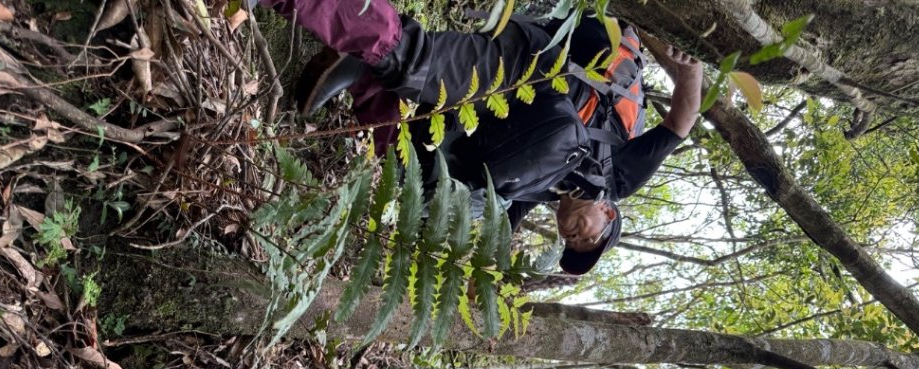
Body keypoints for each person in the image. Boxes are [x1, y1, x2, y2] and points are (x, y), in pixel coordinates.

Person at [258, 0, 703, 274]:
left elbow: (498, 224)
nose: (572, 235)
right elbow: (681, 122)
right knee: (412, 61)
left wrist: (481, 270)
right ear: (607, 212)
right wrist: (692, 67)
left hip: (480, 113)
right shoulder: (619, 177)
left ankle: (361, 76)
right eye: (587, 237)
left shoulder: (541, 192)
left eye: (571, 243)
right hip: (530, 70)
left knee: (414, 174)